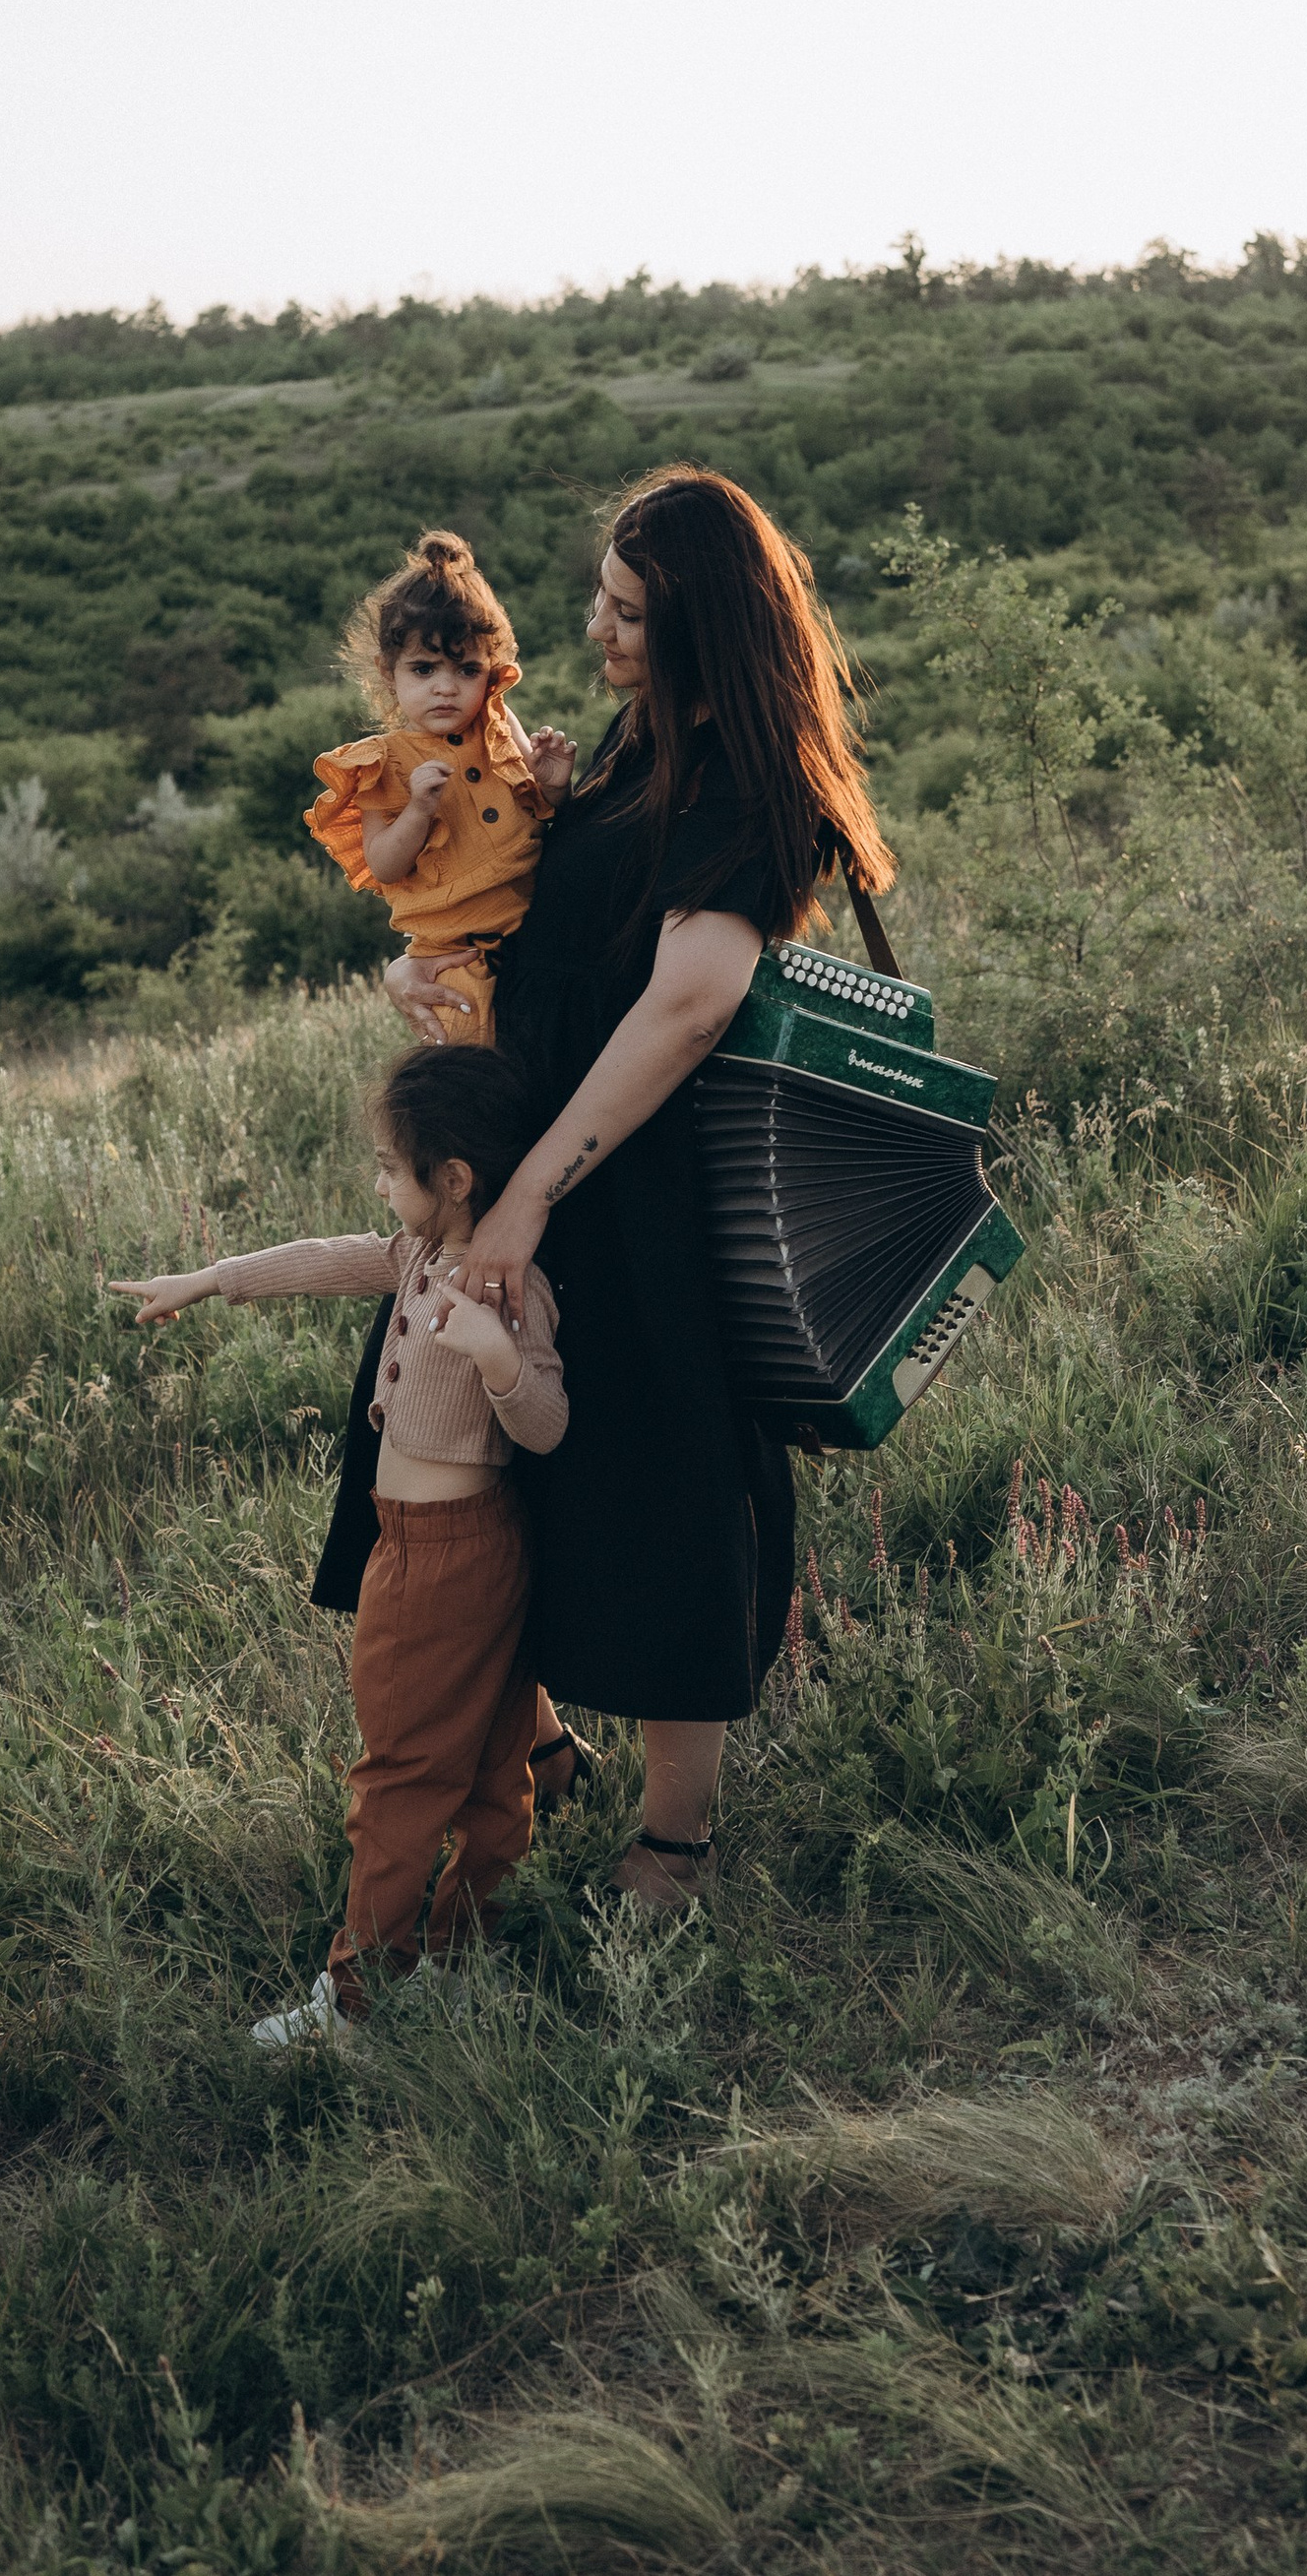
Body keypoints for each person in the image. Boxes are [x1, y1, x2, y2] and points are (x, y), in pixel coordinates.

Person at [385, 464, 897, 1913]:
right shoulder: (640, 733)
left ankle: (678, 1838)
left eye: (624, 614)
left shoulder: (750, 782)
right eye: (602, 604)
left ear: (696, 628)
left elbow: (686, 1004)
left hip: (634, 1187)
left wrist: (536, 1191)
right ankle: (535, 1746)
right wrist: (438, 975)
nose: (596, 632)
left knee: (663, 1488)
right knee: (460, 1451)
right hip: (523, 1158)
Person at [109, 1044, 568, 2042]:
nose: (377, 1182)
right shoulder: (415, 1256)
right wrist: (210, 1278)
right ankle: (454, 1963)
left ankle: (358, 2002)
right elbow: (328, 1257)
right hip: (441, 1547)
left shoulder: (507, 1288)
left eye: (389, 1169)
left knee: (404, 1774)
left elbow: (544, 1423)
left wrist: (496, 1361)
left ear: (453, 1181)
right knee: (487, 1763)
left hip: (446, 1554)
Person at [305, 530, 576, 1045]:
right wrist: (418, 810)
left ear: (490, 673)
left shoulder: (496, 724)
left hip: (539, 936)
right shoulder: (383, 763)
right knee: (470, 1083)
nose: (446, 687)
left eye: (466, 670)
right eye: (424, 669)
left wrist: (555, 785)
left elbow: (543, 814)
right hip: (454, 959)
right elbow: (384, 864)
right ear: (389, 674)